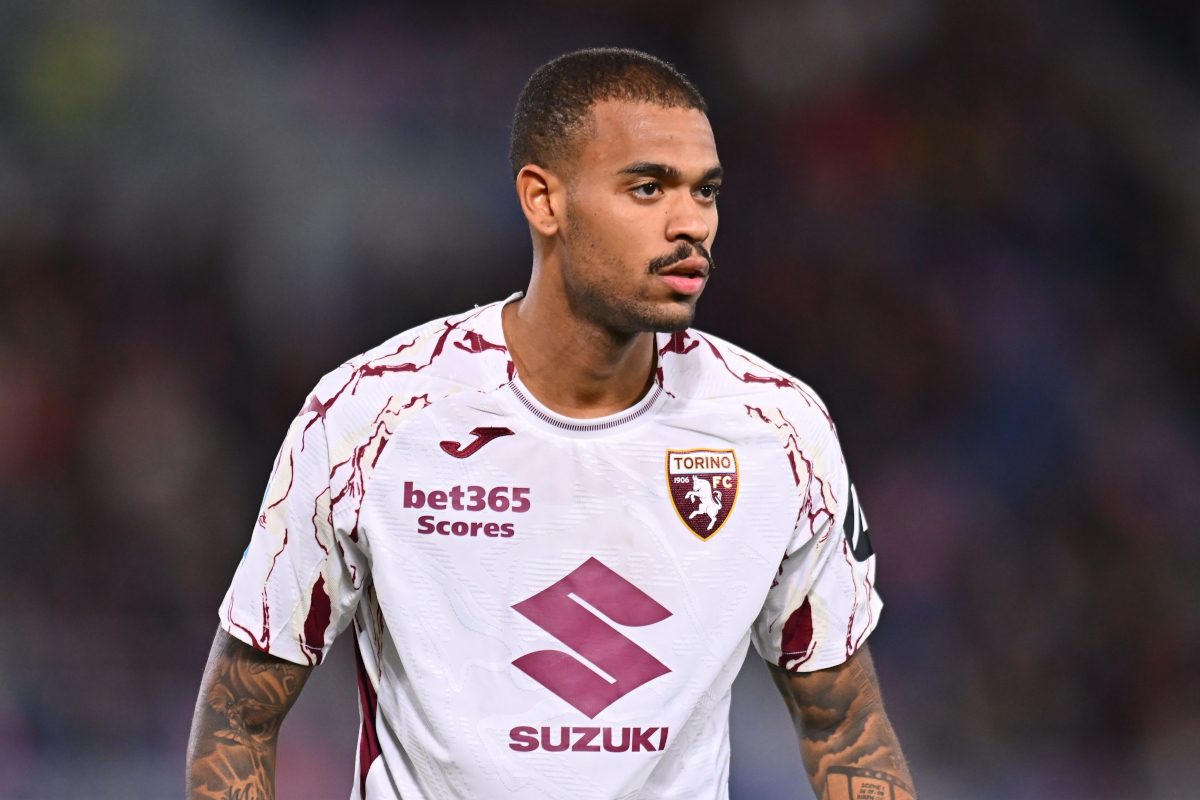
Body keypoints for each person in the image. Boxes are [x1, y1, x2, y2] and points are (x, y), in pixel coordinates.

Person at [185, 47, 915, 800]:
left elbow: (844, 730)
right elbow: (239, 717)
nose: (691, 222)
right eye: (647, 188)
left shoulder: (777, 430)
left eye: (706, 191)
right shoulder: (371, 419)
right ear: (543, 200)